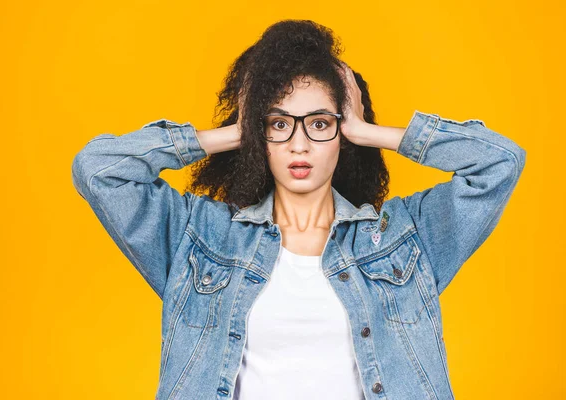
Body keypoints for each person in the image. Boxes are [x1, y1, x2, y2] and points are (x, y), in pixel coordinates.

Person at [71, 19, 526, 400]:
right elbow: (97, 170)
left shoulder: (403, 239)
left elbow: (500, 162)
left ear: (342, 135)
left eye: (321, 123)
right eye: (279, 124)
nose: (300, 143)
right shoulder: (198, 236)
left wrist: (367, 130)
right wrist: (233, 133)